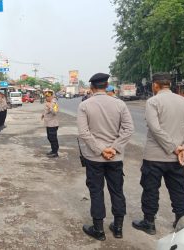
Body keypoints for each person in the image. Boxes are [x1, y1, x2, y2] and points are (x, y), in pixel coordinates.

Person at [132, 72, 184, 235]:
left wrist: (175, 147)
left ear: (155, 85)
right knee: (178, 191)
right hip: (176, 158)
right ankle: (182, 223)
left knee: (150, 189)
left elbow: (155, 128)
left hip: (154, 156)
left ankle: (149, 223)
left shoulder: (153, 101)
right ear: (169, 84)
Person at [77, 73, 134, 241]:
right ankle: (118, 228)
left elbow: (83, 133)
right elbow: (128, 129)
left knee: (96, 191)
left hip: (94, 158)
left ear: (92, 88)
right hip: (115, 158)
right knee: (117, 191)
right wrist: (114, 148)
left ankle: (99, 230)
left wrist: (101, 150)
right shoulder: (120, 104)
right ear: (107, 85)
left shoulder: (85, 105)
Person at [41, 90, 60, 158]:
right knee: (49, 137)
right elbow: (45, 110)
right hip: (48, 123)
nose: (47, 98)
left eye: (48, 96)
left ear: (52, 96)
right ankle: (53, 150)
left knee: (53, 138)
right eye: (46, 96)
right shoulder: (47, 102)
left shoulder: (54, 103)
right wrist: (43, 115)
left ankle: (55, 152)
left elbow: (55, 112)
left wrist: (50, 107)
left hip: (53, 124)